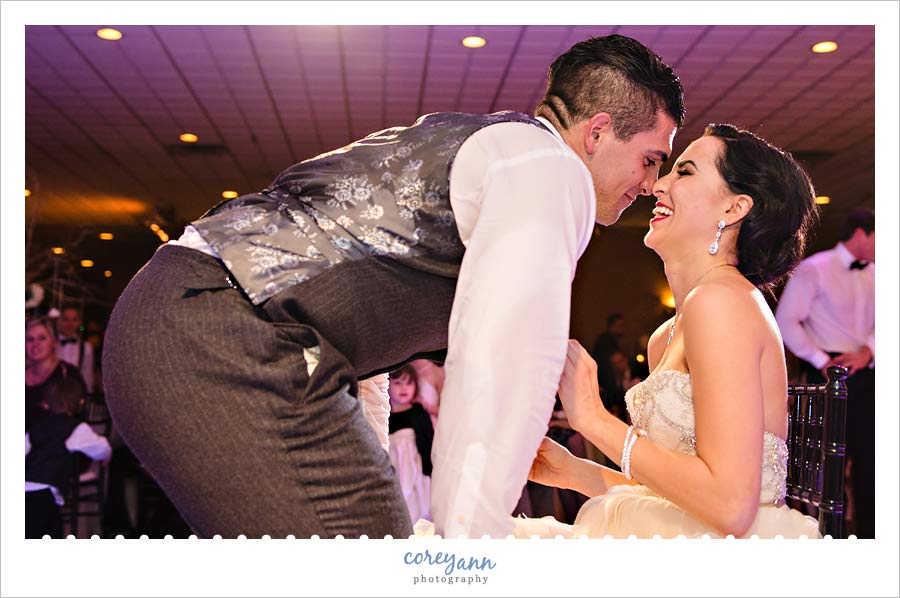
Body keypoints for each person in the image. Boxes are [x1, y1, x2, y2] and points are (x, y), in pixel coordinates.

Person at [102, 34, 685, 538]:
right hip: (222, 333)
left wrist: (373, 462)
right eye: (651, 159)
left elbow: (362, 324)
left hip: (191, 318)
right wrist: (468, 554)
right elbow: (505, 365)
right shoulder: (550, 171)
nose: (653, 183)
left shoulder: (485, 146)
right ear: (599, 132)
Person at [520, 124, 821, 538]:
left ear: (734, 209)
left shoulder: (723, 303)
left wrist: (593, 418)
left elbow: (730, 507)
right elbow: (675, 499)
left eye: (684, 172)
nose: (658, 184)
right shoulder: (668, 331)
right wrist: (572, 471)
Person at [774, 207, 875, 538]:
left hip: (870, 372)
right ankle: (824, 536)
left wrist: (870, 350)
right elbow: (786, 320)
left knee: (872, 461)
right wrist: (820, 360)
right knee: (825, 461)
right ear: (861, 233)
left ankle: (872, 538)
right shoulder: (816, 268)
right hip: (827, 377)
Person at [25, 376, 111, 538]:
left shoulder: (38, 428)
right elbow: (100, 448)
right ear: (80, 403)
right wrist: (107, 454)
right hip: (46, 489)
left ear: (46, 404)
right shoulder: (76, 428)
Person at [387, 365, 436, 524]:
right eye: (398, 383)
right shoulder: (384, 416)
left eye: (409, 383)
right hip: (394, 473)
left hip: (417, 473)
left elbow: (429, 442)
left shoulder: (418, 412)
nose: (404, 388)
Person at [26, 318, 85, 432]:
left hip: (54, 446)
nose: (35, 344)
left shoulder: (68, 374)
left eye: (42, 338)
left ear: (53, 342)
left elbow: (78, 417)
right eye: (30, 339)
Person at [56, 305, 95, 395]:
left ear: (79, 323)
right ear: (59, 321)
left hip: (75, 394)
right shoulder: (51, 344)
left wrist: (88, 395)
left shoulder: (86, 347)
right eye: (66, 319)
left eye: (74, 320)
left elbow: (87, 374)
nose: (70, 324)